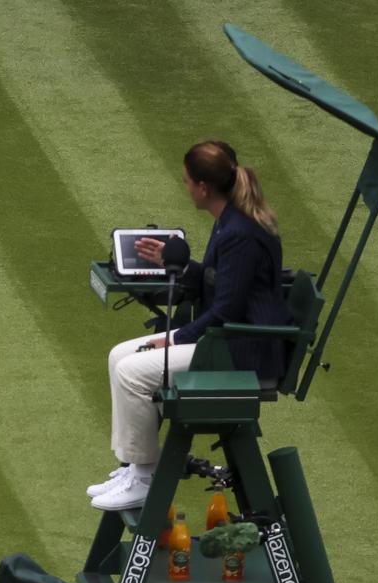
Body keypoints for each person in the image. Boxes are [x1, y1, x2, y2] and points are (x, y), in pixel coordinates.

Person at [90, 141, 290, 511]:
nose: (185, 187)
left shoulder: (240, 233)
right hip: (226, 338)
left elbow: (225, 309)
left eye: (186, 181)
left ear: (203, 186)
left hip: (242, 352)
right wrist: (175, 262)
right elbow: (221, 283)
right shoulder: (229, 221)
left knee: (133, 373)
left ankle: (146, 476)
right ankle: (133, 466)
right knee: (119, 355)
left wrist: (177, 339)